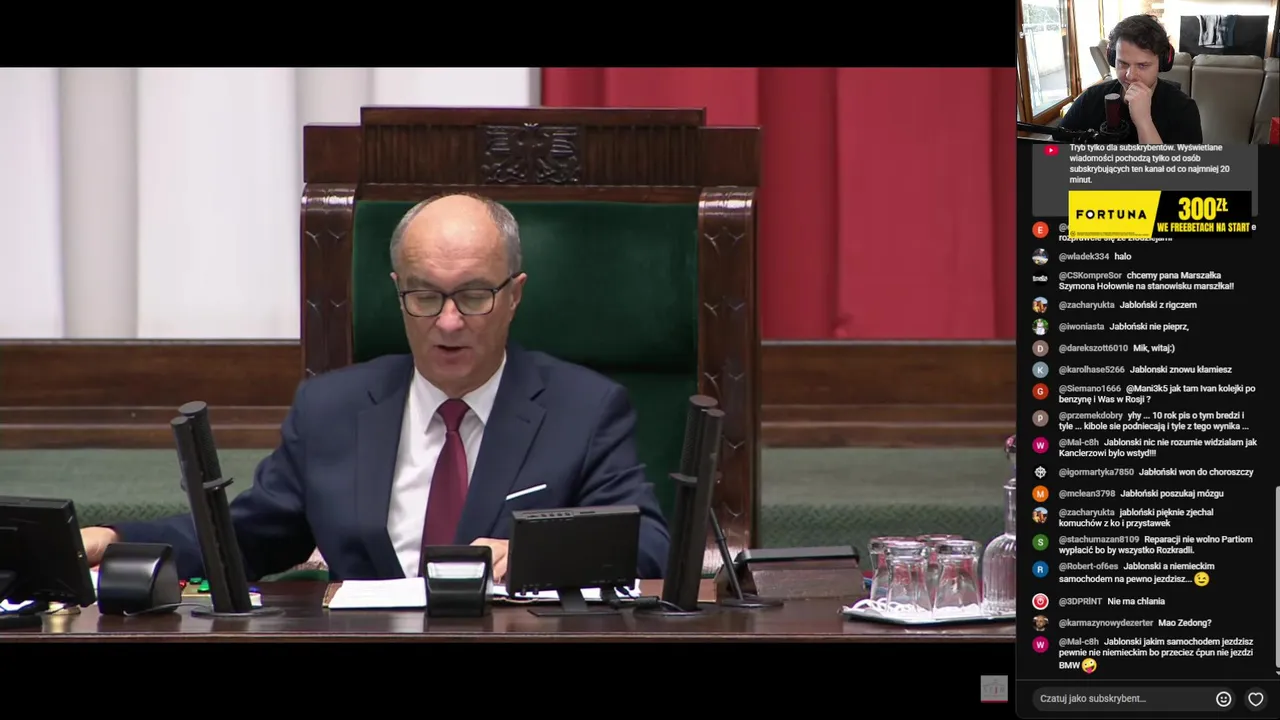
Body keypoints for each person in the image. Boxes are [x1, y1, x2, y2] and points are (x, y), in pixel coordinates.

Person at [81, 193, 671, 582]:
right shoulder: (331, 409)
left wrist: (534, 554)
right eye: (425, 295)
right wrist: (117, 539)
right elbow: (246, 538)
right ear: (397, 292)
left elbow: (648, 546)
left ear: (514, 295)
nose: (448, 322)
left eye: (473, 296)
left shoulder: (583, 409)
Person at [1059, 14, 1202, 144]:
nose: (1130, 75)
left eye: (1142, 65)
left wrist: (1144, 121)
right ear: (1112, 58)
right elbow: (1052, 151)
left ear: (1162, 63)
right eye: (1123, 63)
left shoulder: (1183, 109)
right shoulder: (1090, 99)